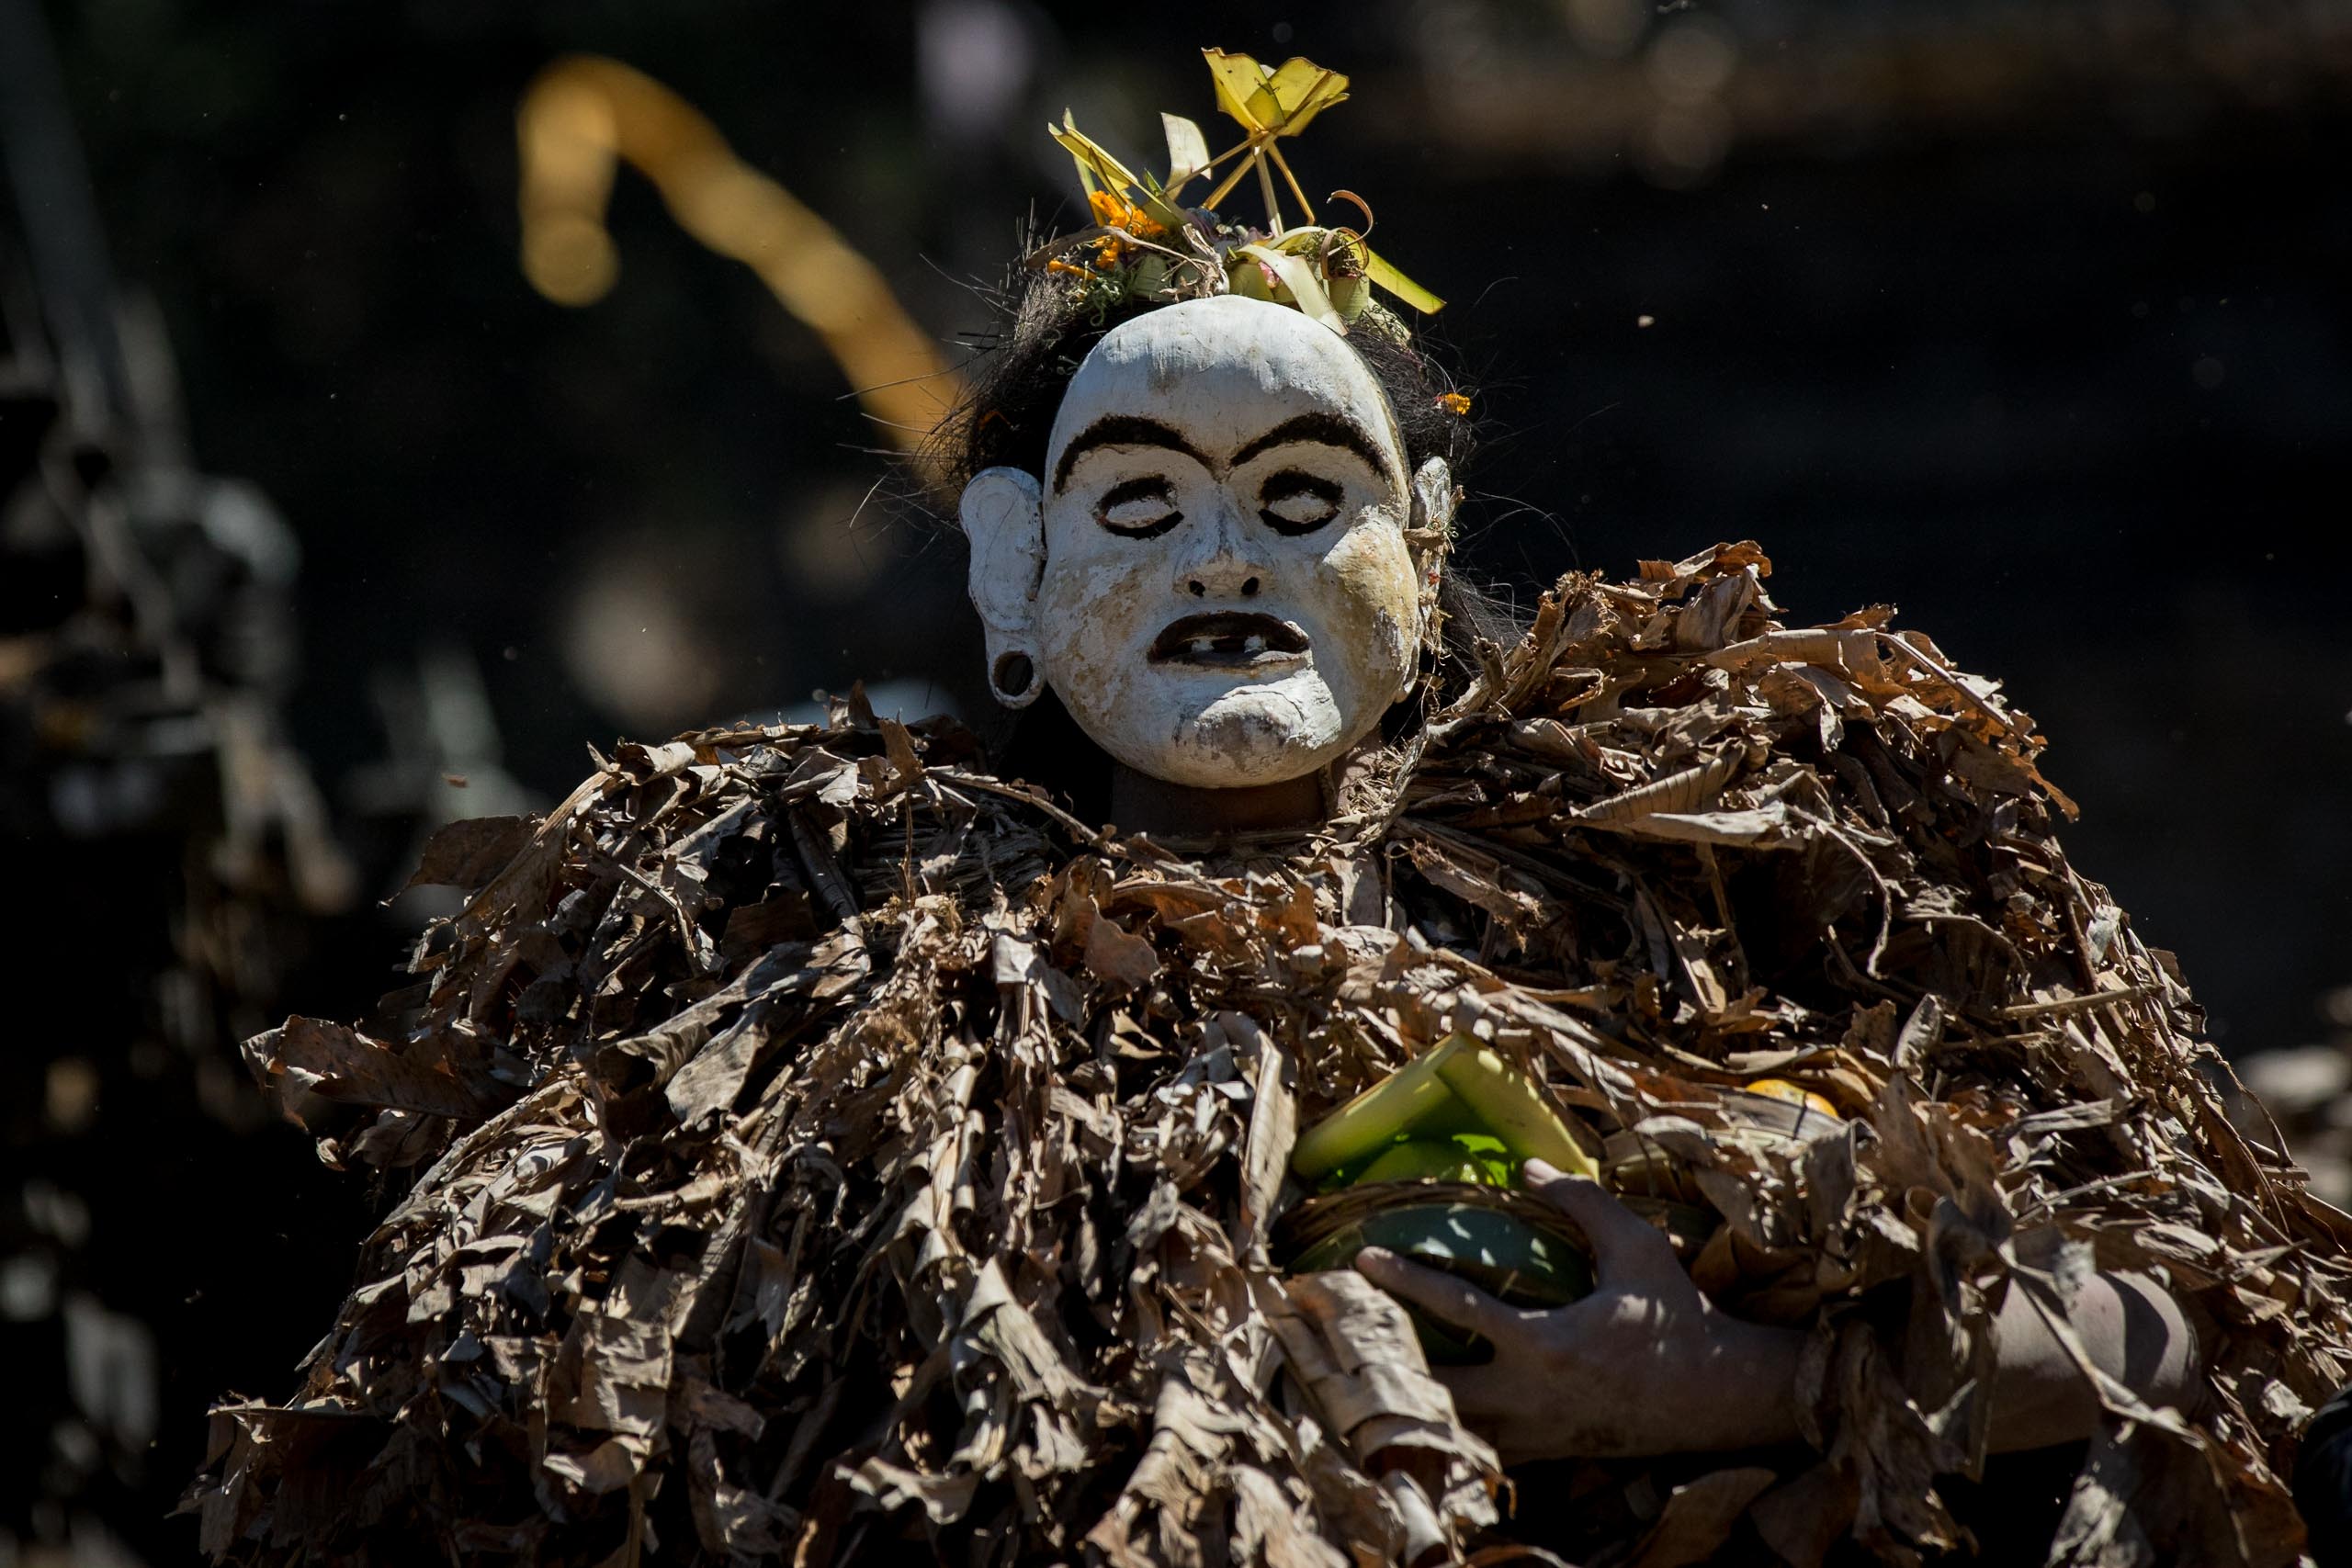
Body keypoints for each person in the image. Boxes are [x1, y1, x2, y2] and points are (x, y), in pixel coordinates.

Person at [196, 51, 2346, 1568]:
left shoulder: (1699, 869)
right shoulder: (804, 957)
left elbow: (2215, 1319)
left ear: (1417, 551)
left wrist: (1741, 1382)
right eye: (1147, 503)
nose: (1226, 558)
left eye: (1295, 497)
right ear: (1013, 576)